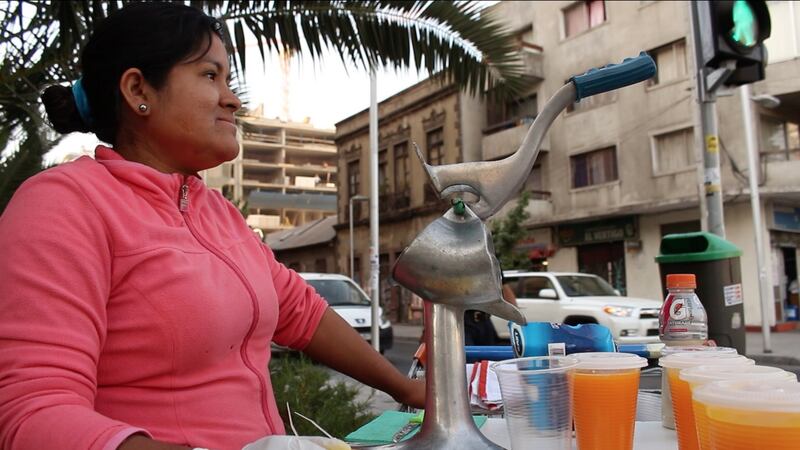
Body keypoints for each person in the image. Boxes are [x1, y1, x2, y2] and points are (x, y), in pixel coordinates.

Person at [0, 4, 423, 450]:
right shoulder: (64, 203)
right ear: (137, 89)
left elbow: (301, 311)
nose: (232, 99)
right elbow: (32, 413)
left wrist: (408, 390)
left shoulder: (217, 212)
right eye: (209, 75)